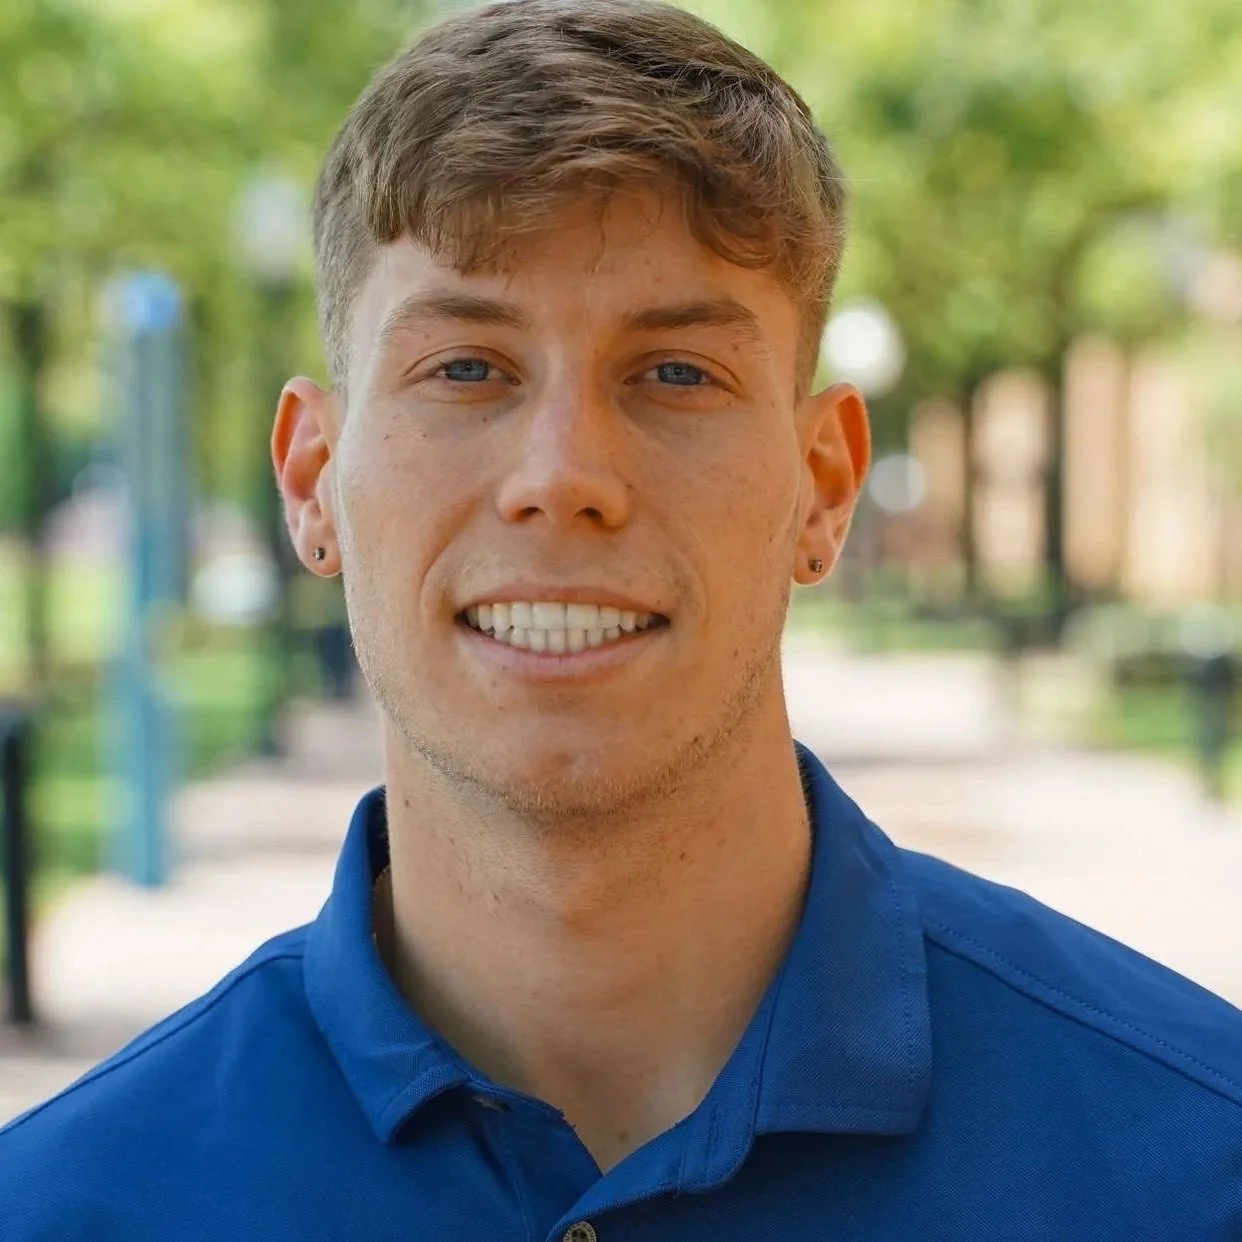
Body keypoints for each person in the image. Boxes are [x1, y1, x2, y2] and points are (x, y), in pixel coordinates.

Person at [3, 1, 1241, 1236]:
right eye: (466, 368)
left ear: (824, 487)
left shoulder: (1194, 1164)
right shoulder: (68, 1207)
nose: (564, 474)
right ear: (312, 480)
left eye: (676, 374)